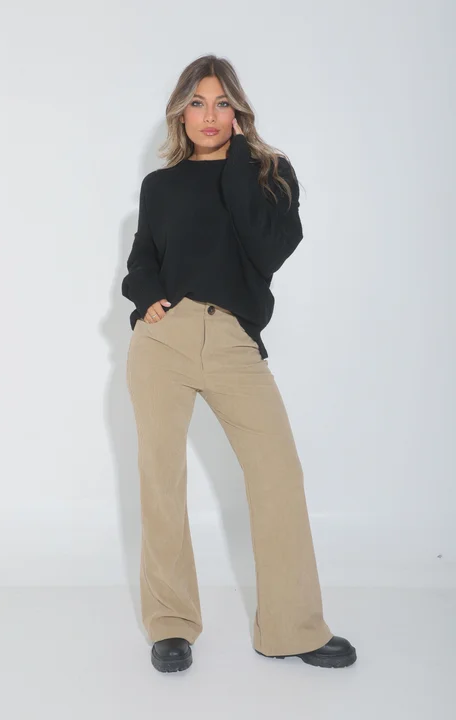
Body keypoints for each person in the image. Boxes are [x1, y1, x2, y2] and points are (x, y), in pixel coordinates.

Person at [122, 54, 357, 674]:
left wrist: (238, 163)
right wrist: (146, 298)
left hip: (232, 341)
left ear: (239, 112)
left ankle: (292, 628)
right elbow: (143, 258)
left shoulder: (269, 174)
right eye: (197, 103)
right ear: (180, 113)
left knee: (277, 474)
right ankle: (171, 625)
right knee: (160, 480)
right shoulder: (160, 186)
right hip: (163, 342)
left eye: (222, 103)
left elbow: (269, 249)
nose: (209, 115)